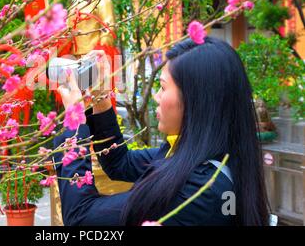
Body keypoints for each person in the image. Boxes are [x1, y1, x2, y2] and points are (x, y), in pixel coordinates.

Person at [53, 36, 270, 226]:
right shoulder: (195, 156)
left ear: (196, 102)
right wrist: (100, 100)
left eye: (163, 87)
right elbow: (120, 163)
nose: (156, 96)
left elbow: (81, 218)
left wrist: (74, 124)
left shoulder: (199, 191)